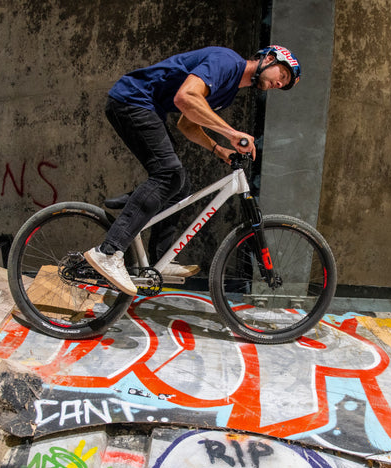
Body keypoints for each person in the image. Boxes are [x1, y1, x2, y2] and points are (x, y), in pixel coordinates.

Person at [85, 45, 301, 296]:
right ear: (269, 59)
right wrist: (232, 134)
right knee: (168, 175)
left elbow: (187, 122)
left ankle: (160, 260)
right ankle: (108, 252)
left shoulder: (229, 90)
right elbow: (185, 97)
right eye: (282, 76)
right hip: (132, 100)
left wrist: (218, 149)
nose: (279, 83)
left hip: (147, 108)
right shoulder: (227, 62)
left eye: (284, 84)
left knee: (179, 183)